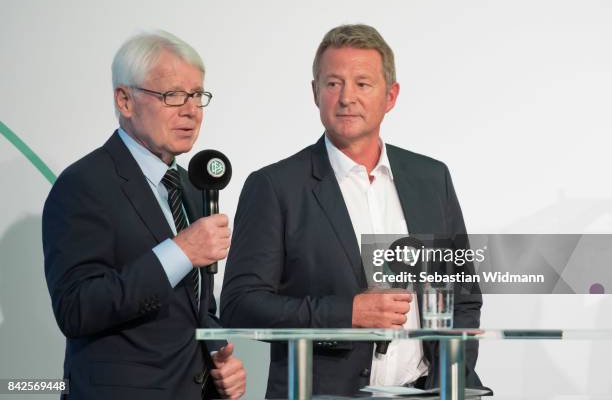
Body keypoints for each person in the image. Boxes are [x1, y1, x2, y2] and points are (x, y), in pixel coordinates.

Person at [220, 24, 483, 397]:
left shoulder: (432, 178)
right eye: (333, 83)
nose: (347, 98)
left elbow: (464, 296)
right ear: (315, 93)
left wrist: (449, 381)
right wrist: (347, 314)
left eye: (363, 83)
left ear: (390, 96)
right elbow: (240, 305)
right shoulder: (275, 186)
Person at [43, 30, 246, 400]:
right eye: (173, 96)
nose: (190, 110)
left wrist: (217, 354)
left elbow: (195, 306)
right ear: (125, 100)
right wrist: (179, 252)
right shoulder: (83, 184)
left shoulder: (191, 185)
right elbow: (76, 309)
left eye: (197, 95)